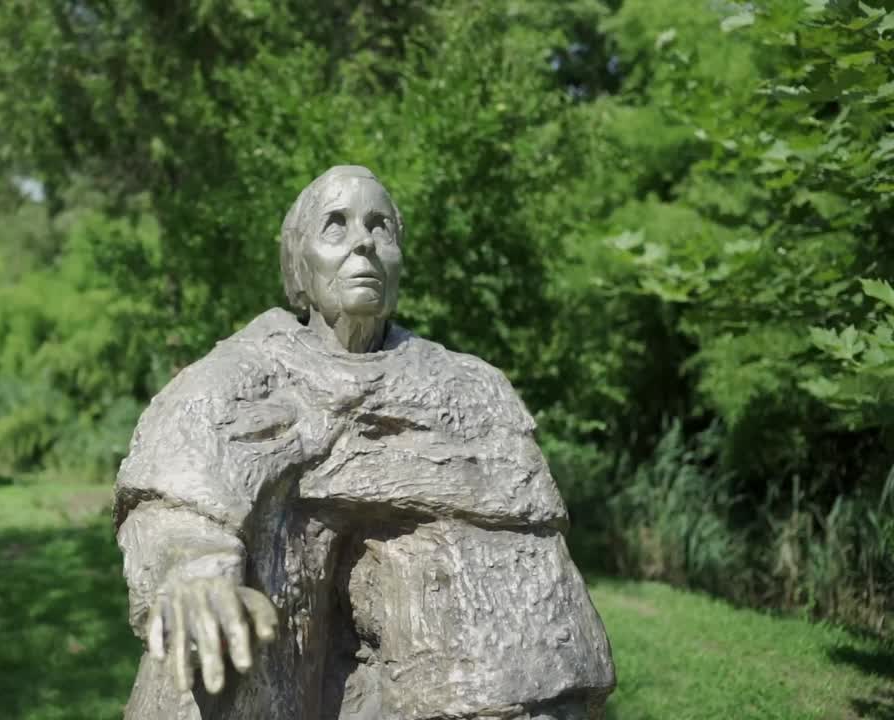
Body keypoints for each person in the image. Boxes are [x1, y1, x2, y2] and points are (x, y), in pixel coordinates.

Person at [114, 165, 615, 720]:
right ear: (298, 266)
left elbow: (529, 563)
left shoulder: (468, 391)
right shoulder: (235, 377)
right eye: (336, 226)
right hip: (272, 661)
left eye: (380, 228)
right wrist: (193, 565)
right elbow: (173, 498)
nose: (363, 242)